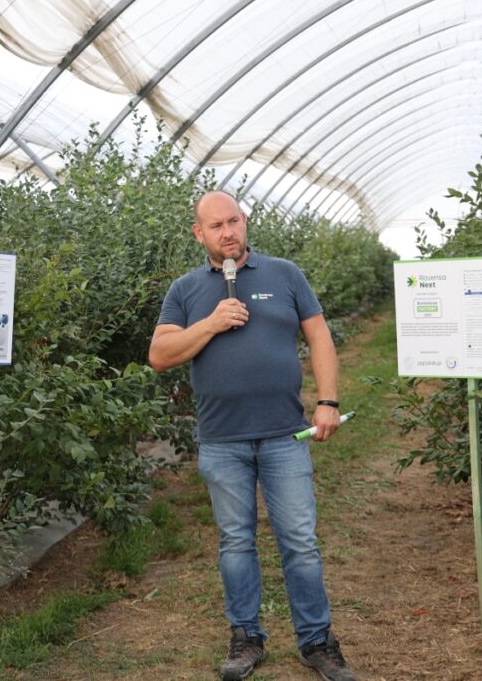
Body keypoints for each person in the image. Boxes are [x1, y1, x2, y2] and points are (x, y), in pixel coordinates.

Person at [149, 190, 357, 681]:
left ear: (245, 221)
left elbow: (319, 337)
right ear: (199, 234)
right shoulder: (185, 290)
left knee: (300, 541)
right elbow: (160, 355)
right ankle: (246, 638)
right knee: (236, 543)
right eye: (216, 226)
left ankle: (316, 641)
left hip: (285, 435)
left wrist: (328, 401)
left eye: (234, 221)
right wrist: (211, 323)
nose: (228, 232)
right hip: (223, 440)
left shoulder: (285, 274)